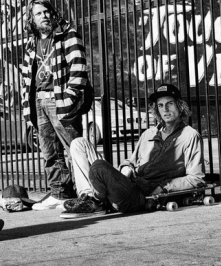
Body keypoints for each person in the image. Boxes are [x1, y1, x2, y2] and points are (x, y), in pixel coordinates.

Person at [58, 84, 205, 218]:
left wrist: (163, 187)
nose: (165, 109)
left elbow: (196, 178)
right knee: (79, 143)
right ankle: (89, 199)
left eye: (170, 104)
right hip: (127, 184)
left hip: (139, 195)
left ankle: (95, 202)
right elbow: (130, 162)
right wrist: (126, 168)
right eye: (160, 105)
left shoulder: (190, 135)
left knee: (99, 168)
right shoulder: (149, 133)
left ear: (180, 106)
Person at [20, 0, 92, 210]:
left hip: (59, 98)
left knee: (75, 148)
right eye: (39, 13)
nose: (45, 16)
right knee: (50, 152)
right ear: (31, 19)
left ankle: (90, 194)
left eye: (47, 11)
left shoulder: (67, 34)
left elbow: (79, 68)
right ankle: (60, 193)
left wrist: (70, 97)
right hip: (39, 100)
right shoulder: (32, 42)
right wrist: (28, 105)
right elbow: (26, 77)